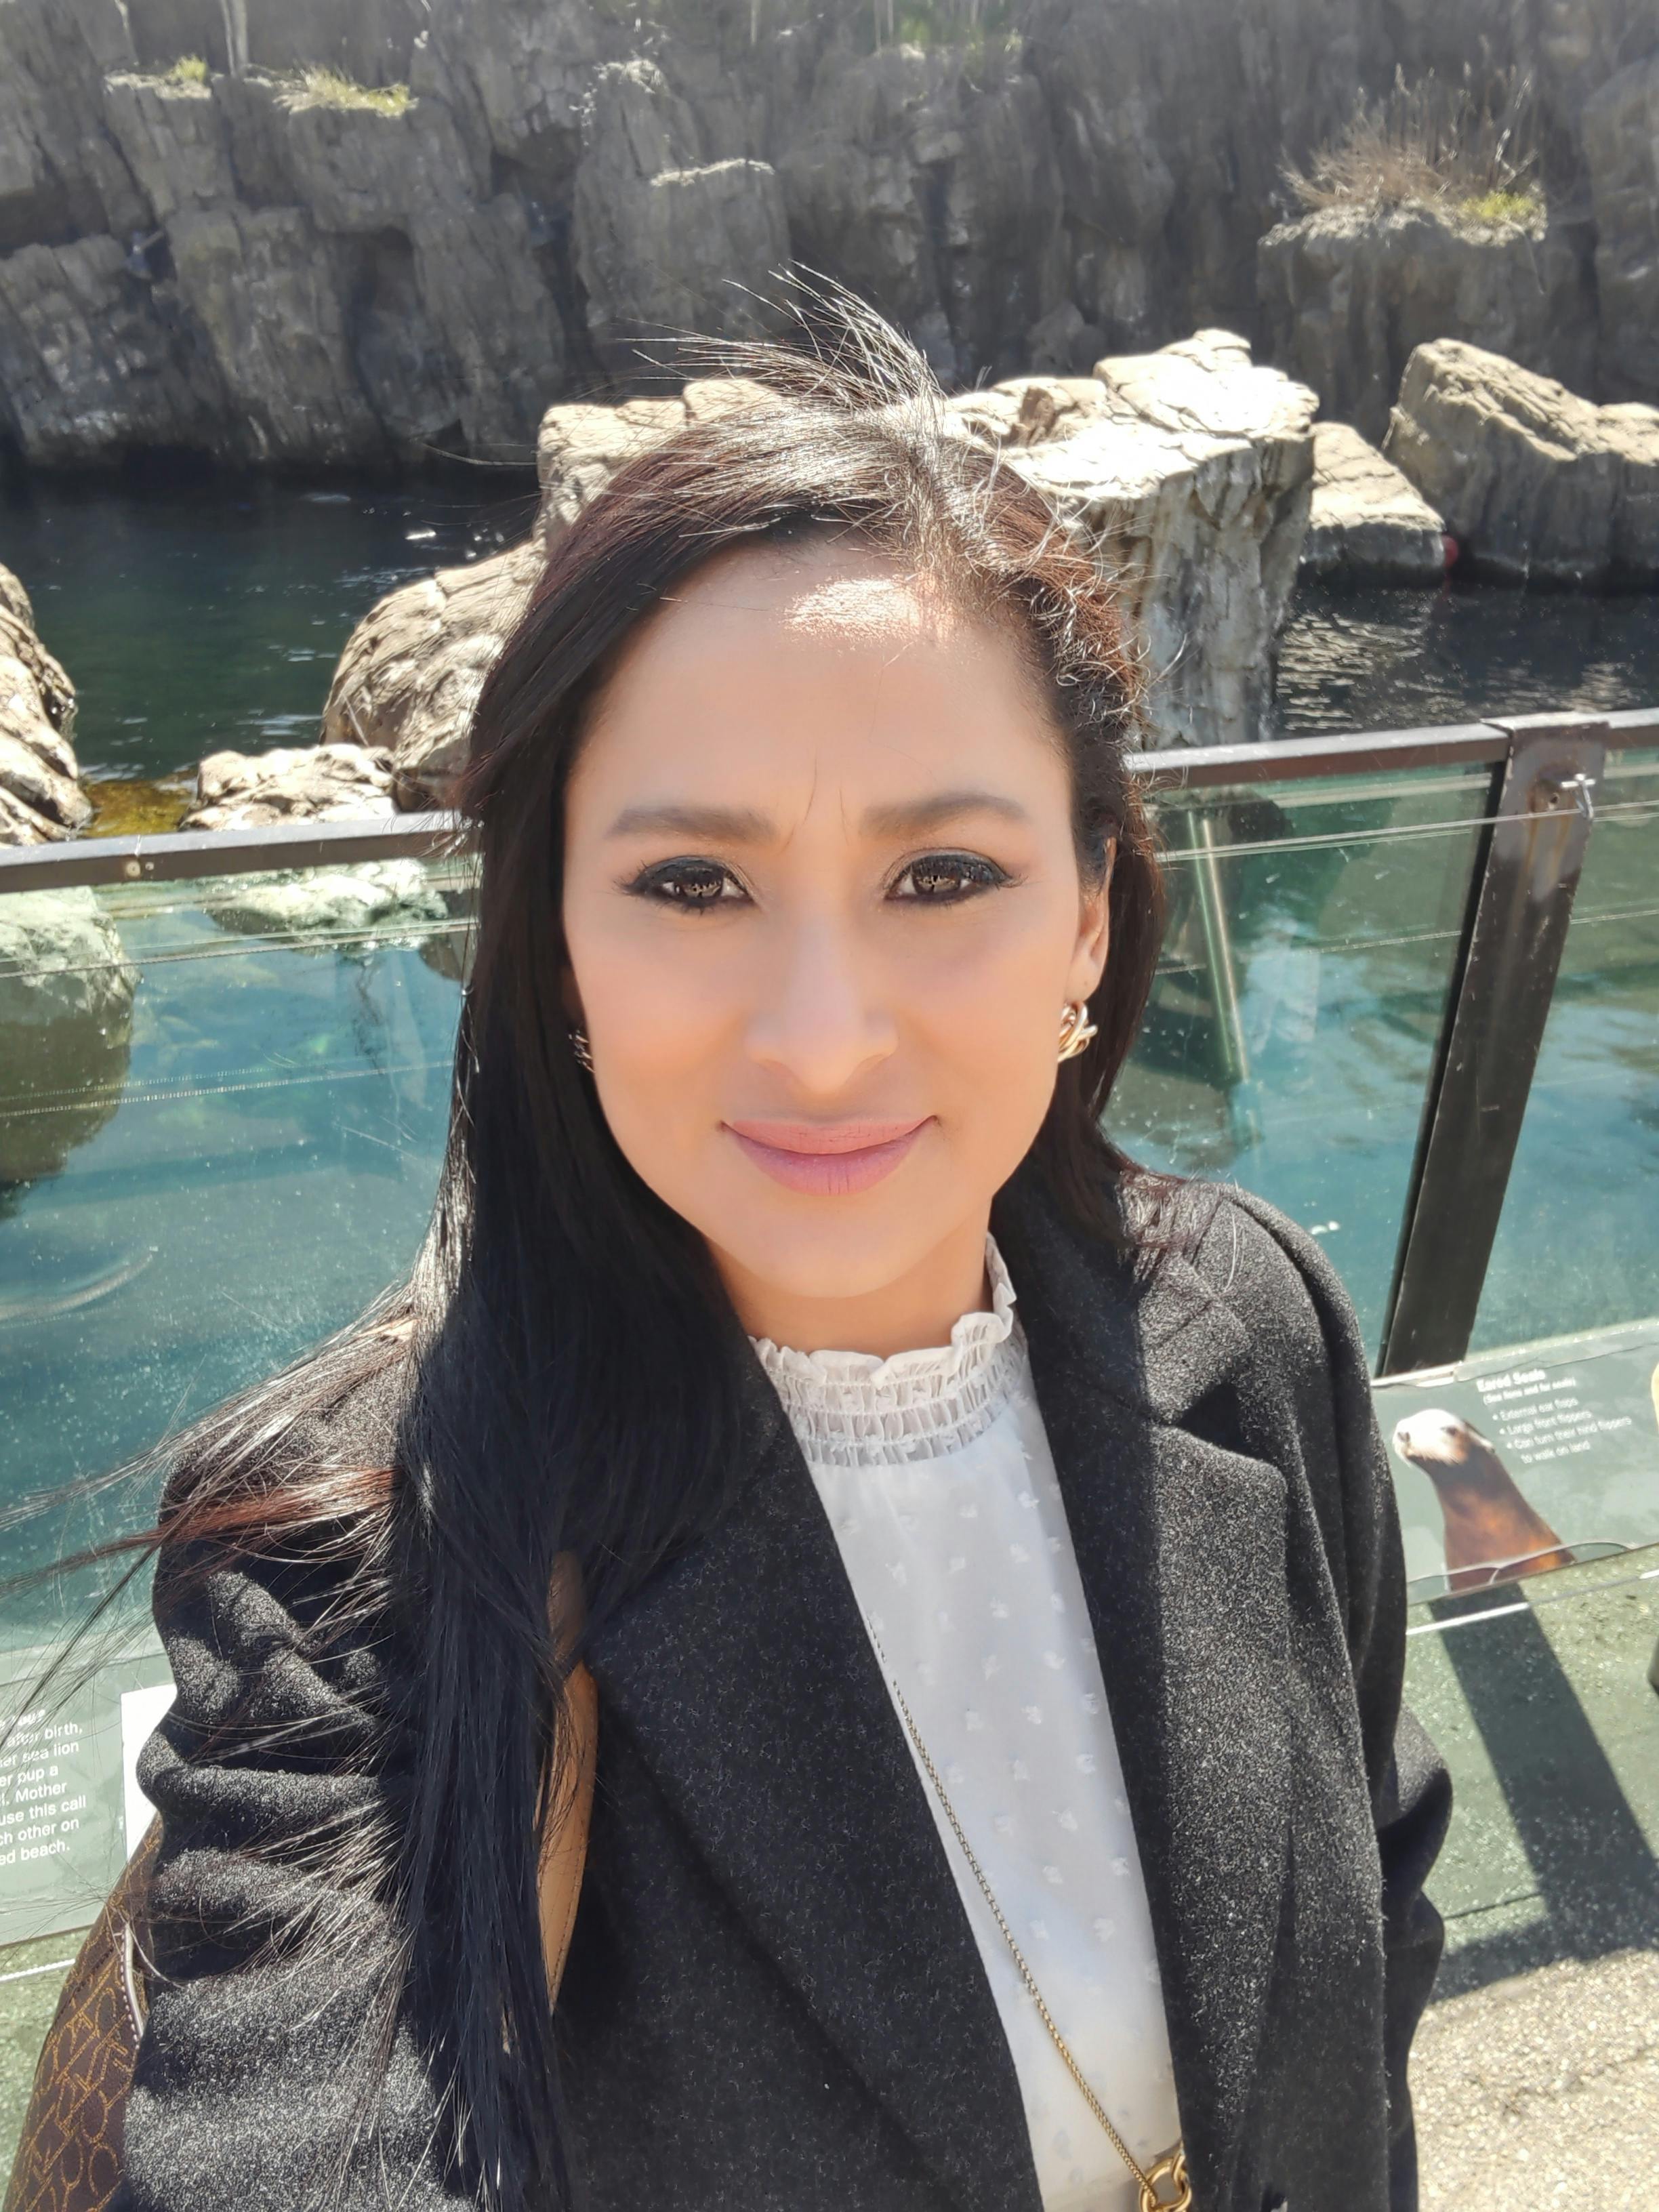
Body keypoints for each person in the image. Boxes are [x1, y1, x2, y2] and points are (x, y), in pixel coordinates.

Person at [104, 296, 1448, 2212]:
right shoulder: (366, 1555)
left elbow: (1378, 1896)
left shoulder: (1252, 1322)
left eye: (943, 876)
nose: (823, 1040)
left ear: (1088, 914)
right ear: (557, 941)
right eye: (694, 883)